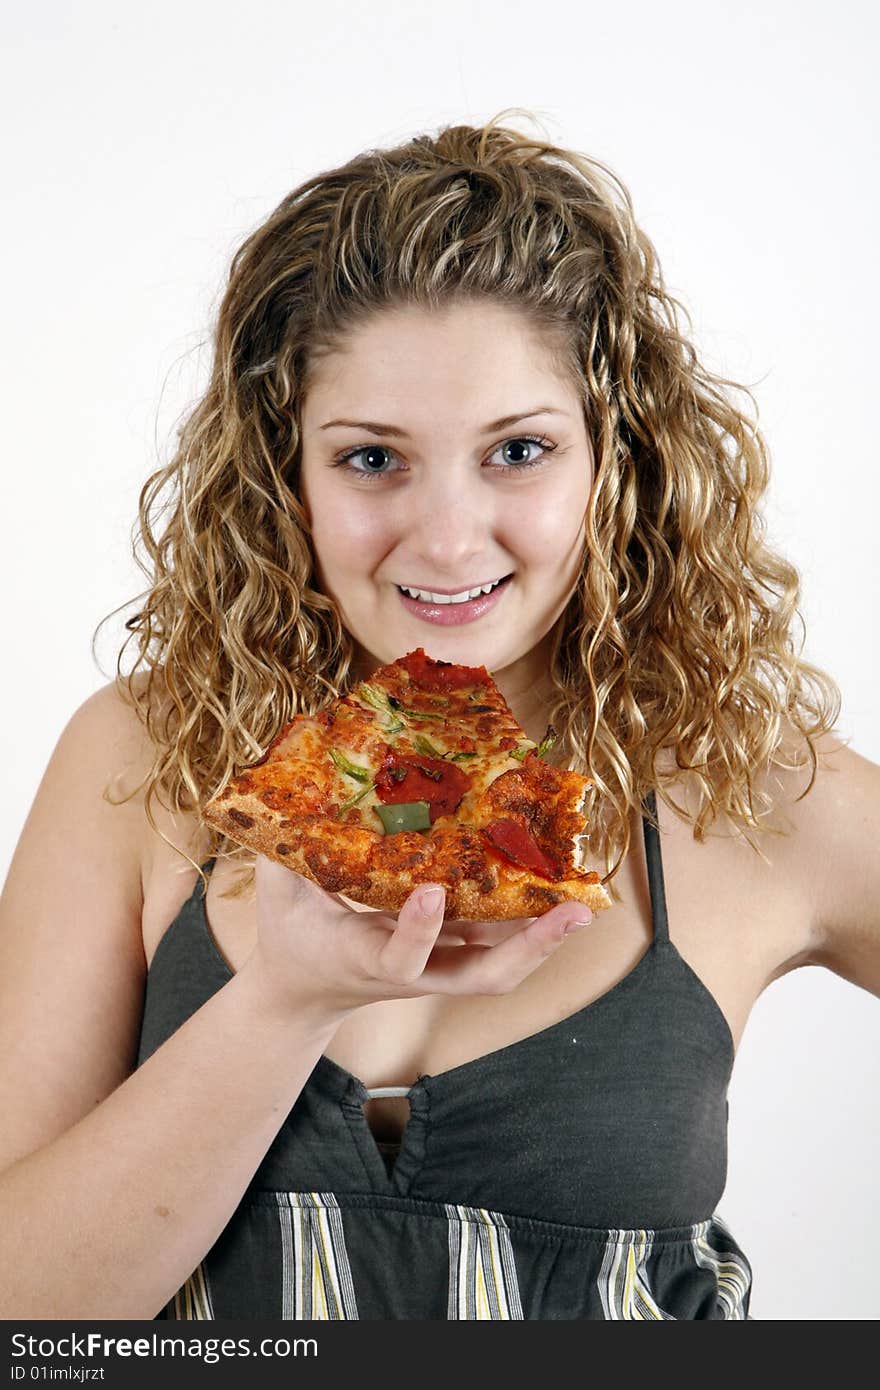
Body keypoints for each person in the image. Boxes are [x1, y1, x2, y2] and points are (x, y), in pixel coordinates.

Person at [1, 110, 877, 1323]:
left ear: (614, 459)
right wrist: (288, 997)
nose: (450, 537)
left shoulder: (753, 790)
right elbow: (25, 1316)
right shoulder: (147, 754)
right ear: (282, 473)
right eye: (372, 460)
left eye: (518, 450)